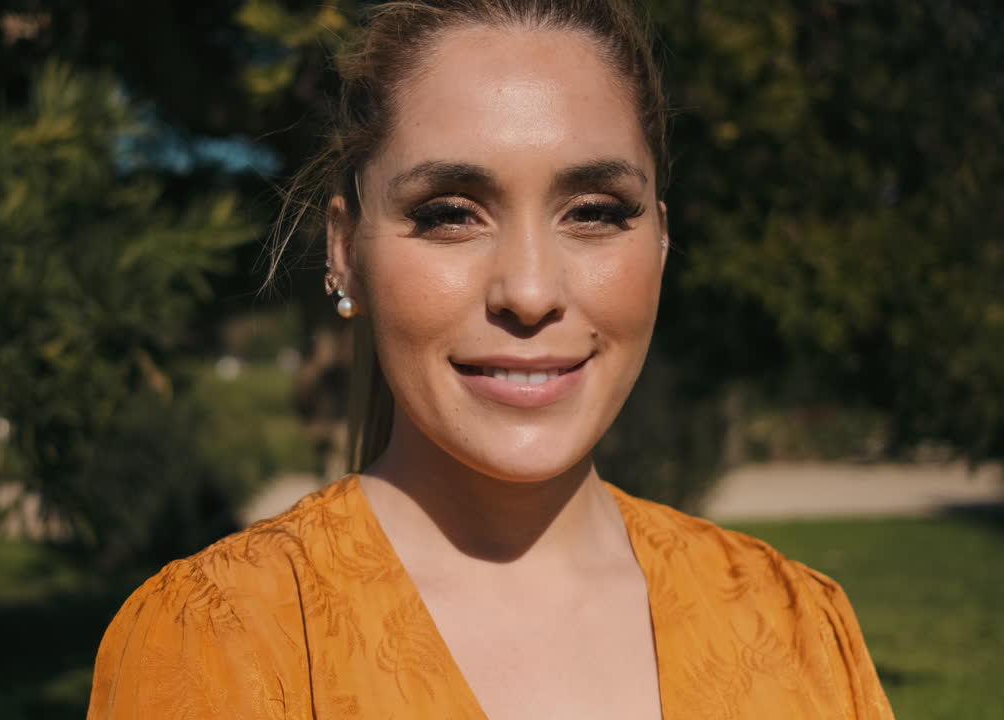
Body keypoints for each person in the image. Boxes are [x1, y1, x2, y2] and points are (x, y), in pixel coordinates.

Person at [87, 1, 894, 717]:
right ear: (344, 253)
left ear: (661, 238)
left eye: (595, 212)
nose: (531, 290)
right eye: (449, 214)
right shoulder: (221, 642)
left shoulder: (797, 630)